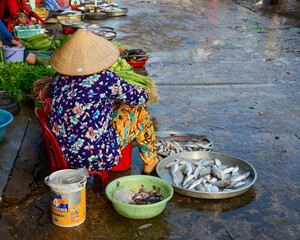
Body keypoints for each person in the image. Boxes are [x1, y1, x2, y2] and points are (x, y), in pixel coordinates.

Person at [49, 29, 161, 174]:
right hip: (95, 155)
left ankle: (150, 160)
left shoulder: (57, 79)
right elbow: (140, 98)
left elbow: (81, 105)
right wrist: (138, 91)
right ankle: (150, 161)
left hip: (61, 153)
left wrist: (109, 104)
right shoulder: (104, 78)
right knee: (139, 110)